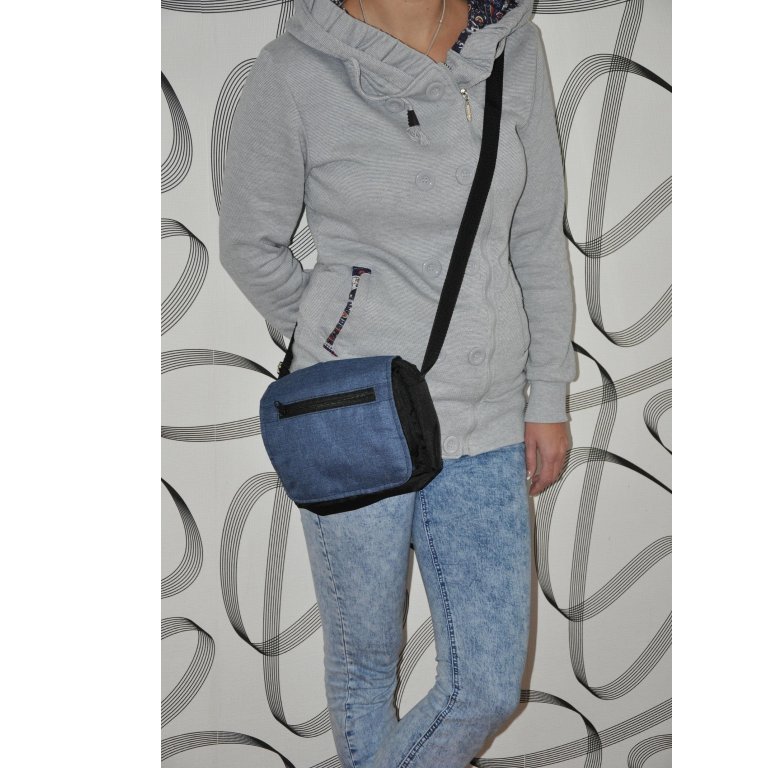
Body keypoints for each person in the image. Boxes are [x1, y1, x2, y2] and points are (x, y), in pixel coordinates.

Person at [218, 1, 576, 765]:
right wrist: (340, 339)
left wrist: (547, 393)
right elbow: (251, 243)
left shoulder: (513, 51)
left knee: (484, 687)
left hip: (485, 415)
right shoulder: (295, 70)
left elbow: (536, 238)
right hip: (356, 418)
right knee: (364, 667)